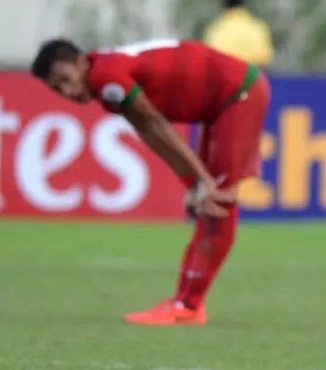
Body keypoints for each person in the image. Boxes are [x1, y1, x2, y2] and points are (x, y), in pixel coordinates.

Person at [31, 38, 271, 326]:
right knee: (209, 199)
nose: (68, 92)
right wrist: (193, 181)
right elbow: (148, 131)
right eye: (57, 89)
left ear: (81, 61)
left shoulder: (105, 77)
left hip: (237, 94)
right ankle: (187, 303)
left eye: (65, 80)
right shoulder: (103, 77)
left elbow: (156, 123)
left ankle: (187, 306)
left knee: (218, 201)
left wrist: (202, 179)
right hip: (224, 102)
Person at [203, 0, 274, 67]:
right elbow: (265, 59)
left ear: (224, 6)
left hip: (225, 74)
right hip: (251, 74)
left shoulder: (216, 28)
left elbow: (210, 60)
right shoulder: (258, 27)